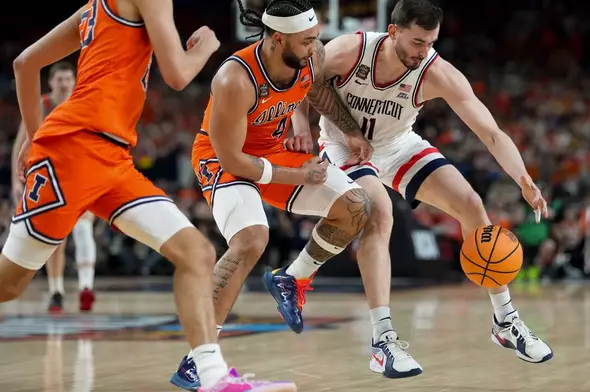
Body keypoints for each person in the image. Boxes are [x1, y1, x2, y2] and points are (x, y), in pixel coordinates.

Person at [5, 0, 290, 390]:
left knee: (196, 253)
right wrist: (204, 49)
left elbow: (25, 64)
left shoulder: (95, 6)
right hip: (73, 153)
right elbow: (177, 75)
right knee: (9, 284)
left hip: (111, 157)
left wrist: (36, 136)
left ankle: (214, 378)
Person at [280, 0, 554, 376]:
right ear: (392, 32)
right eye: (417, 42)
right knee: (379, 214)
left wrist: (523, 179)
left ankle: (505, 323)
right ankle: (382, 341)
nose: (424, 51)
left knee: (472, 206)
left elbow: (491, 132)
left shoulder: (435, 71)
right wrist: (300, 128)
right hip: (344, 145)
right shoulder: (351, 49)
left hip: (398, 145)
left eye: (430, 43)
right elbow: (302, 83)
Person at [169, 0, 371, 390]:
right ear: (279, 40)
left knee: (356, 206)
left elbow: (318, 92)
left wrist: (349, 130)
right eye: (308, 41)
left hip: (272, 152)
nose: (317, 47)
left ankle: (292, 280)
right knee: (250, 241)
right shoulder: (234, 78)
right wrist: (299, 174)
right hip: (223, 156)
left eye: (316, 39)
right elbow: (235, 160)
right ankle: (197, 361)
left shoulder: (310, 56)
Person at [11, 61, 98, 313]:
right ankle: (56, 290)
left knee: (83, 231)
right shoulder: (42, 105)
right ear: (51, 83)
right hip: (49, 178)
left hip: (80, 176)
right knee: (55, 240)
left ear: (74, 80)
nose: (63, 83)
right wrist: (17, 181)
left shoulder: (84, 101)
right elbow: (21, 142)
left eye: (67, 79)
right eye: (58, 79)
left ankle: (86, 288)